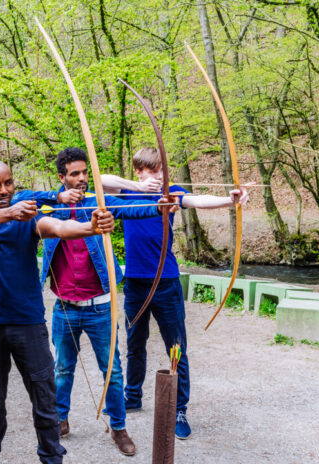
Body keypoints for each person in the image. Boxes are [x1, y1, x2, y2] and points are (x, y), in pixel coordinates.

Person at [0, 158, 116, 464]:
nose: (3, 190)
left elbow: (62, 227)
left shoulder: (28, 217)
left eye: (8, 183)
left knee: (45, 403)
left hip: (28, 326)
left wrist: (92, 226)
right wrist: (7, 212)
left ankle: (52, 459)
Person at [100, 146, 249, 440]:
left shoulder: (171, 194)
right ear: (139, 171)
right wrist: (137, 186)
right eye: (152, 171)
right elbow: (99, 180)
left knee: (176, 347)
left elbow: (196, 200)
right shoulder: (128, 194)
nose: (158, 176)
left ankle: (179, 409)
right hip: (135, 283)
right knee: (134, 342)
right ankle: (133, 396)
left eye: (161, 171)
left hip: (166, 282)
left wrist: (228, 201)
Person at [36, 147, 176, 457]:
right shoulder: (49, 209)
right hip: (65, 307)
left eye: (85, 172)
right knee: (62, 369)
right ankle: (60, 419)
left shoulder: (100, 203)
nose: (83, 178)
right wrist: (56, 198)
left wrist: (160, 205)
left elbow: (136, 208)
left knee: (112, 372)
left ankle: (119, 427)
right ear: (62, 178)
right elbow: (19, 201)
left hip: (100, 305)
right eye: (75, 174)